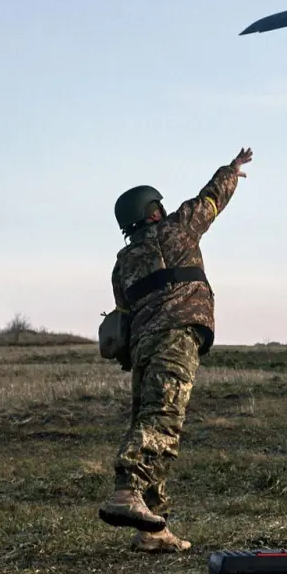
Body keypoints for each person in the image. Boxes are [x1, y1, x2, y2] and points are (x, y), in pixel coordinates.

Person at [97, 148, 253, 553]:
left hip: (144, 346)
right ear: (153, 211)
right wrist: (232, 170)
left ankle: (153, 528)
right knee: (163, 420)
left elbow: (123, 314)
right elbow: (212, 198)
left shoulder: (123, 262)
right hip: (176, 334)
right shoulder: (179, 228)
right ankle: (127, 488)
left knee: (148, 420)